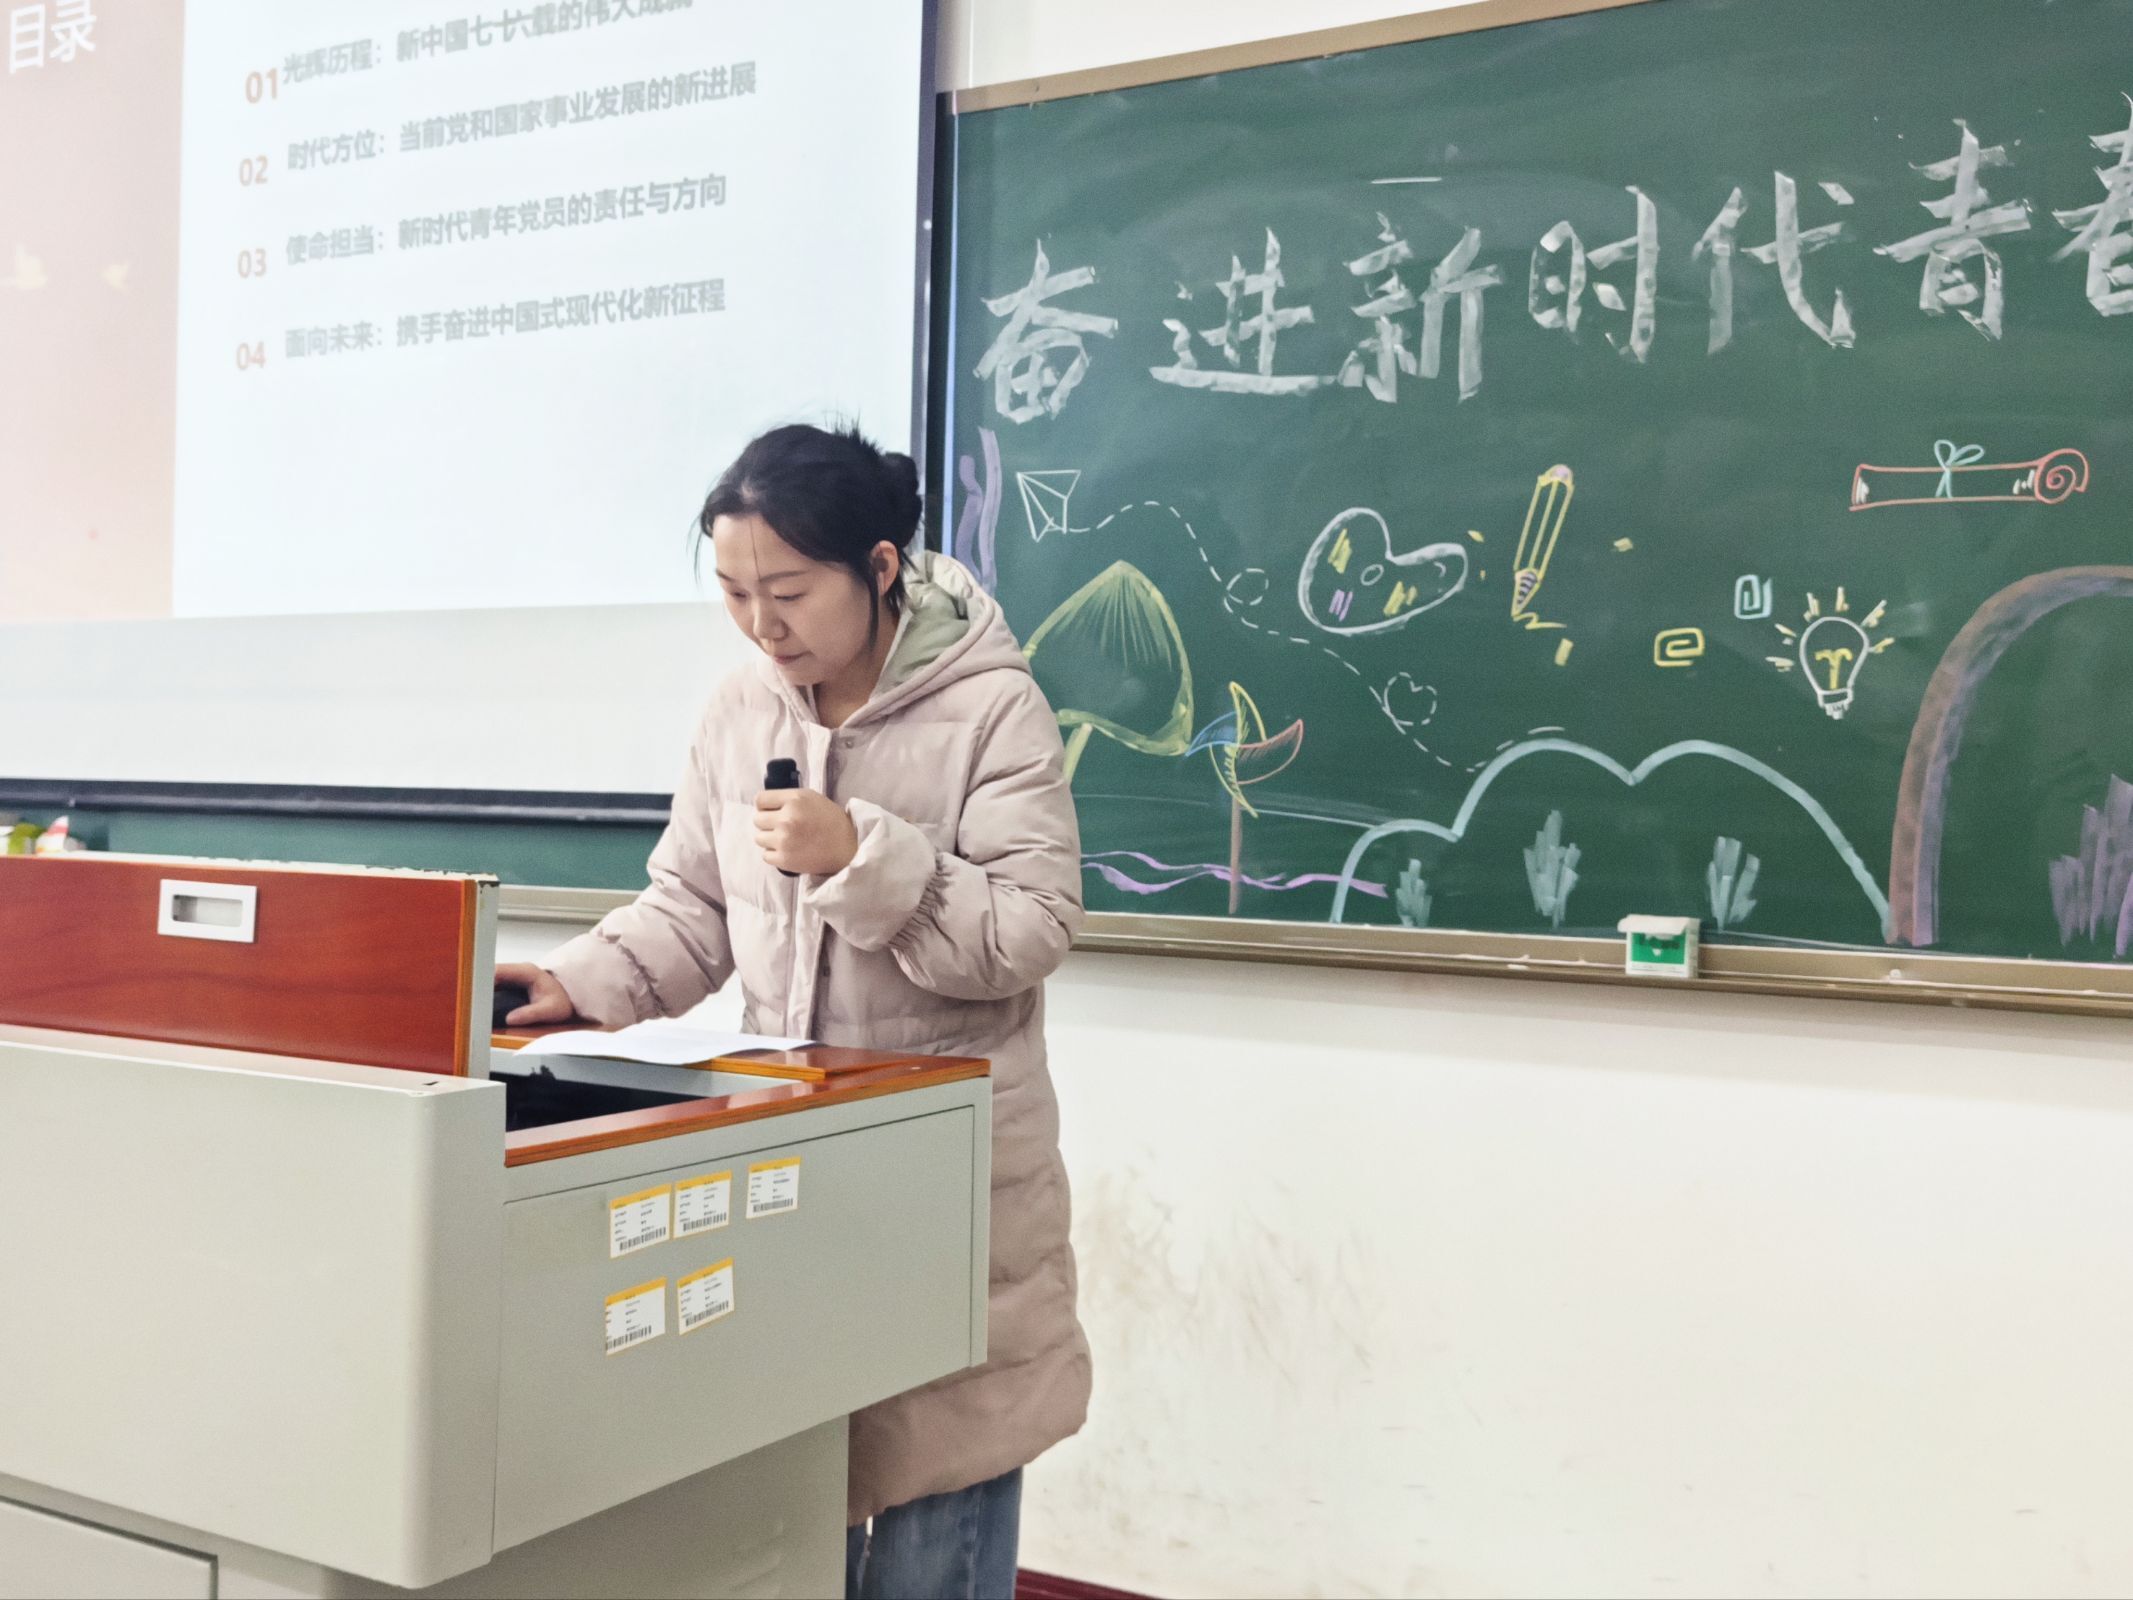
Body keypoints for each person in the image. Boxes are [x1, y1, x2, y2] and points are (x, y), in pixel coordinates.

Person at [497, 422, 1090, 1600]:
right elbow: (692, 906)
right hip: (795, 1172)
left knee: (936, 1515)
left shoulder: (992, 707)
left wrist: (864, 855)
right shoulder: (740, 711)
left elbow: (1032, 929)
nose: (761, 624)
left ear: (879, 567)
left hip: (948, 1178)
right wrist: (579, 984)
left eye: (789, 592)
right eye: (732, 593)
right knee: (790, 1524)